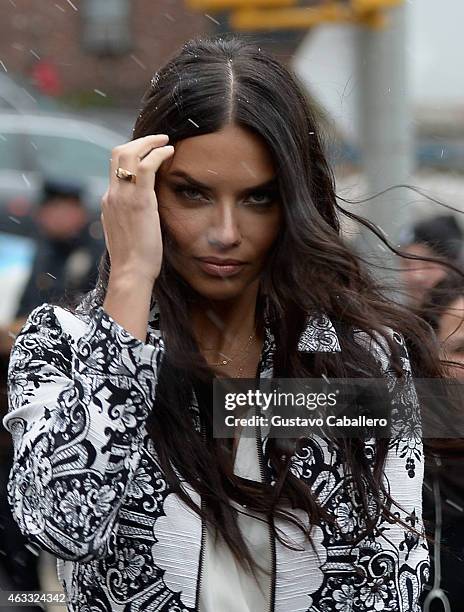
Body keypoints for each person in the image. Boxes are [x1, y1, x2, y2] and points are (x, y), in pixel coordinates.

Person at [2, 34, 452, 611]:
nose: (225, 232)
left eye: (258, 199)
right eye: (192, 193)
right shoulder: (64, 346)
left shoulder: (361, 355)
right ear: (144, 195)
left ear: (293, 204)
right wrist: (132, 280)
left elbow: (388, 584)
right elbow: (59, 523)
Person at [399, 214, 464, 308]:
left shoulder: (458, 316)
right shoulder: (403, 317)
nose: (416, 276)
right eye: (406, 264)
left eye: (427, 264)